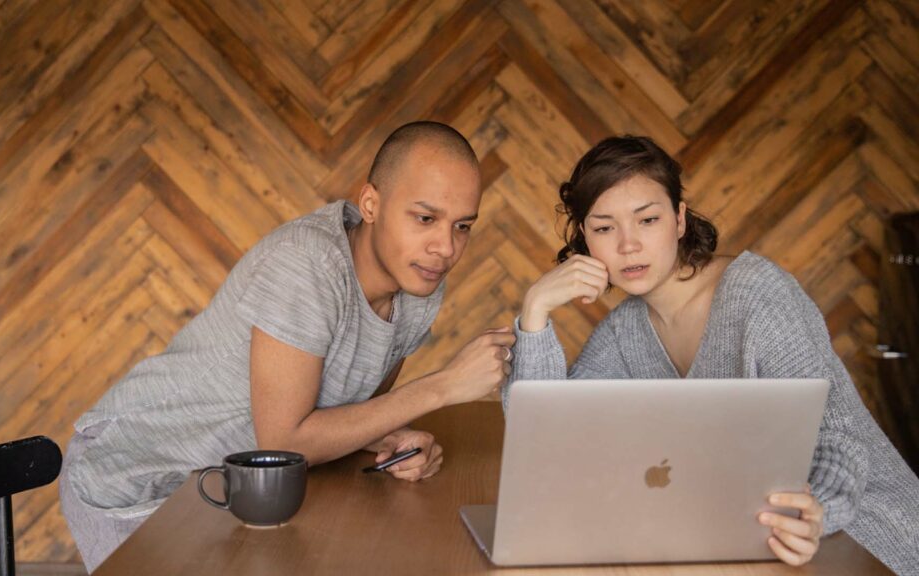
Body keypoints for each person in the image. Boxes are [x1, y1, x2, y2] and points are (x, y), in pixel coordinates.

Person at [60, 121, 516, 572]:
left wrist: (392, 441)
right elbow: (283, 441)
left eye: (463, 226)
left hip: (227, 487)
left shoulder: (418, 282)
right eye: (425, 218)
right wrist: (442, 387)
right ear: (371, 204)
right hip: (135, 478)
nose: (445, 247)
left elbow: (350, 412)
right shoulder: (306, 264)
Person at [503, 135, 919, 574]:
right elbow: (546, 442)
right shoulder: (624, 332)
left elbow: (838, 437)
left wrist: (816, 512)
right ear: (586, 240)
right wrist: (536, 312)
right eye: (605, 228)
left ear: (679, 220)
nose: (628, 245)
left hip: (863, 538)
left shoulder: (759, 296)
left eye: (647, 220)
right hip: (748, 542)